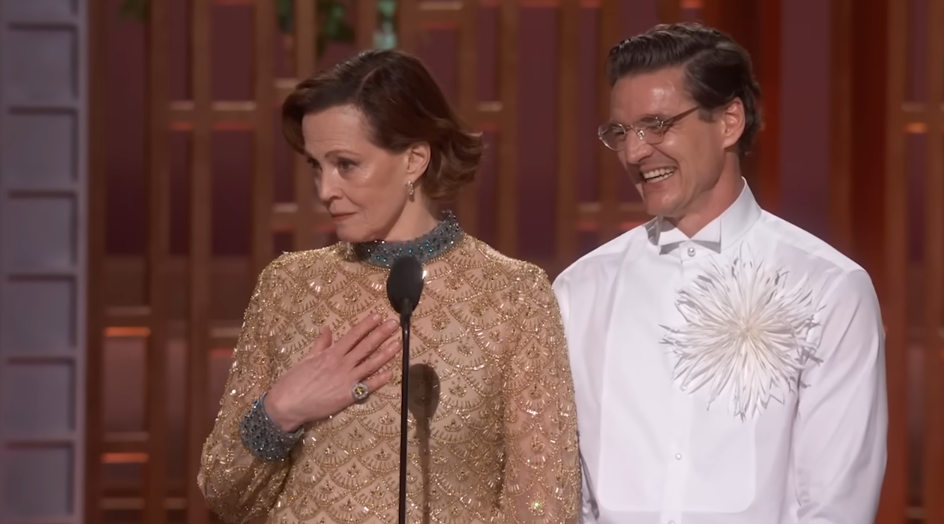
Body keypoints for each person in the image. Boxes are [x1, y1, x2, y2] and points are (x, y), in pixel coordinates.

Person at [197, 49, 581, 524]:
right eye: (316, 165)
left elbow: (545, 506)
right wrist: (281, 410)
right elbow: (224, 493)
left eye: (346, 164)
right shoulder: (287, 287)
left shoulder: (514, 296)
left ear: (414, 159)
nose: (324, 190)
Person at [553, 23, 887, 524]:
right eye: (622, 132)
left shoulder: (827, 288)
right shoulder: (579, 291)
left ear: (730, 121)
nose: (635, 152)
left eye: (658, 124)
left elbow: (836, 504)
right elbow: (565, 492)